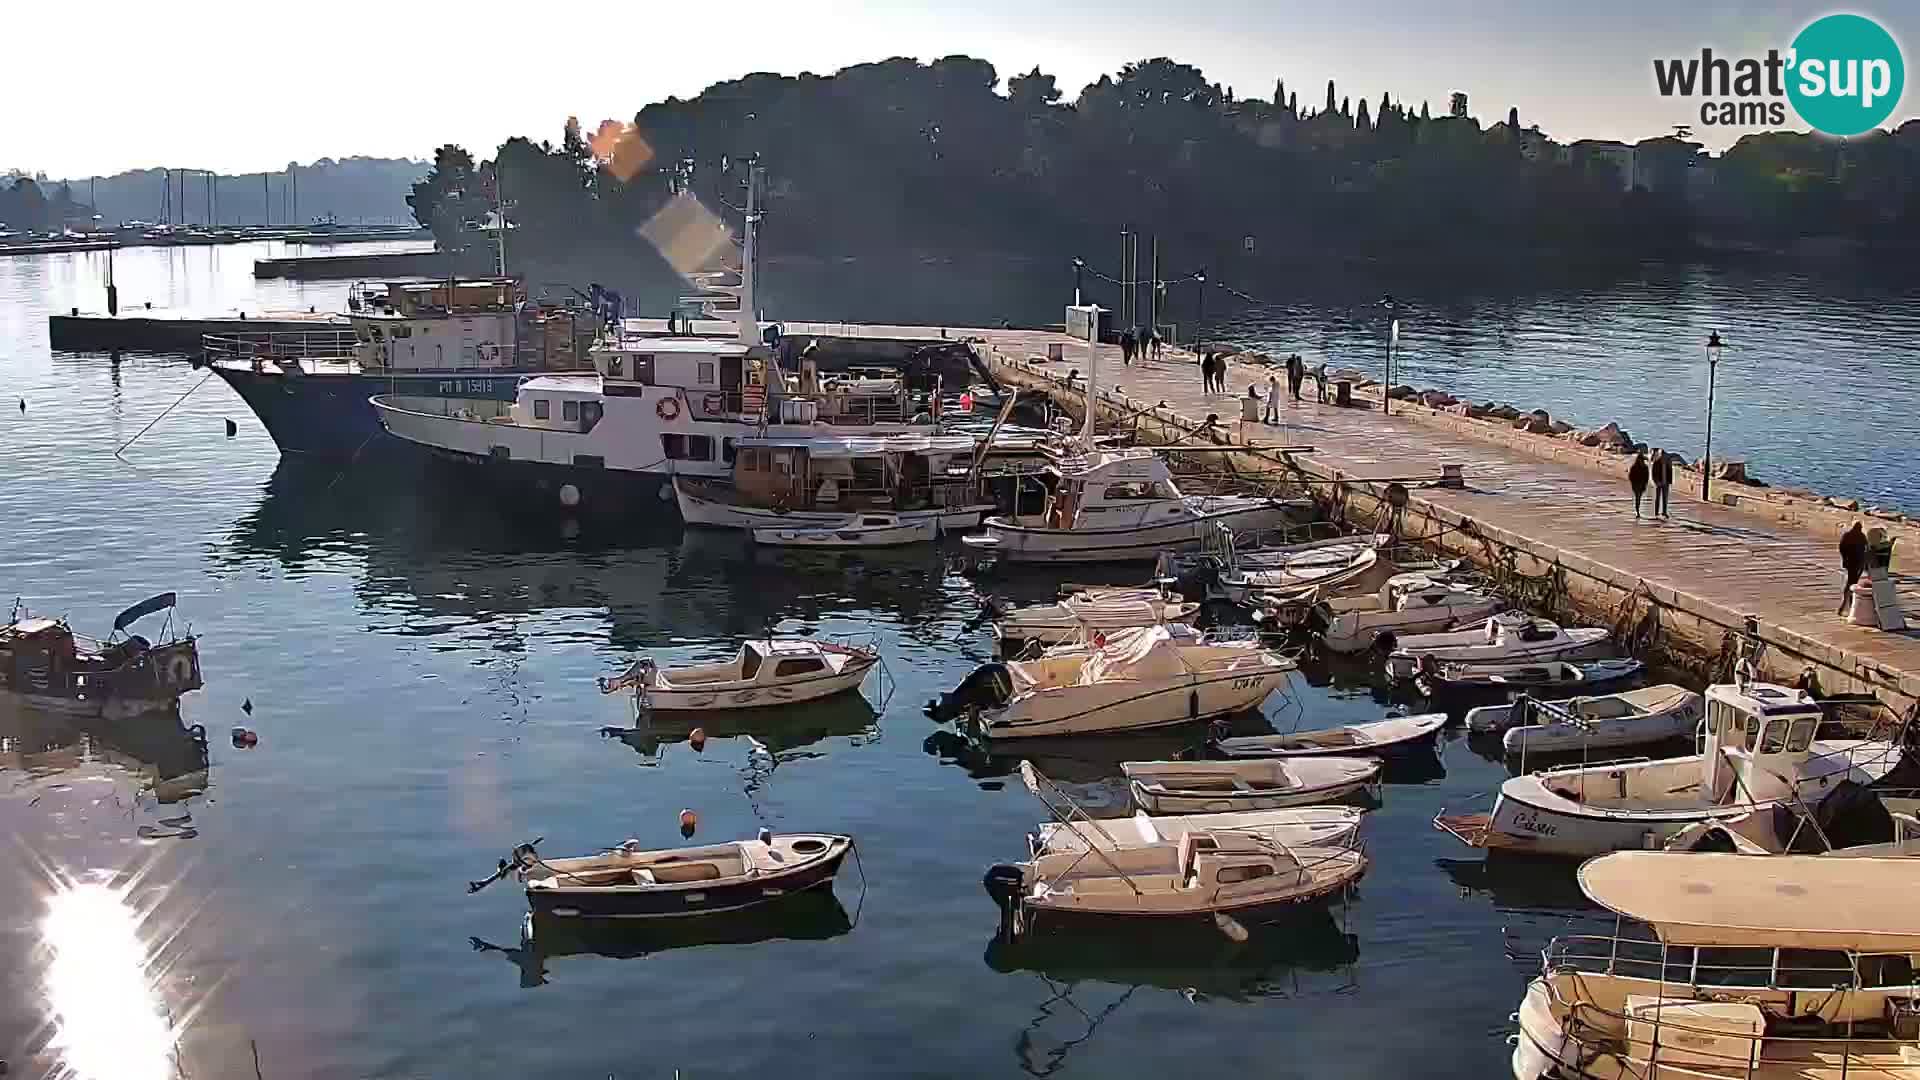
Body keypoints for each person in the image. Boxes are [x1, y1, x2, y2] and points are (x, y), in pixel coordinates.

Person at [1839, 521, 1869, 615]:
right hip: (1857, 562)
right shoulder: (1861, 536)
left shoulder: (1847, 535)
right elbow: (1866, 549)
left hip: (1851, 562)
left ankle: (1846, 604)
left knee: (1851, 582)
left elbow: (1841, 548)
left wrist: (1845, 558)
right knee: (1852, 582)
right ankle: (1846, 604)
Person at [1650, 449, 1674, 518]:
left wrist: (1670, 481)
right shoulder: (1656, 461)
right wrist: (1656, 481)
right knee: (1657, 498)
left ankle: (1664, 512)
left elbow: (1670, 471)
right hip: (1659, 482)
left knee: (1665, 498)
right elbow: (1653, 472)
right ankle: (1656, 512)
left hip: (1666, 482)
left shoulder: (1668, 461)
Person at [1627, 450, 1649, 519]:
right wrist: (1633, 483)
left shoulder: (1645, 467)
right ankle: (1637, 511)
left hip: (1641, 485)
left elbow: (1647, 477)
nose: (1642, 461)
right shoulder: (1634, 467)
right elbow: (1630, 476)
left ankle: (1638, 510)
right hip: (1636, 485)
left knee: (1639, 498)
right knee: (1638, 497)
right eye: (1641, 459)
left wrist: (1645, 485)